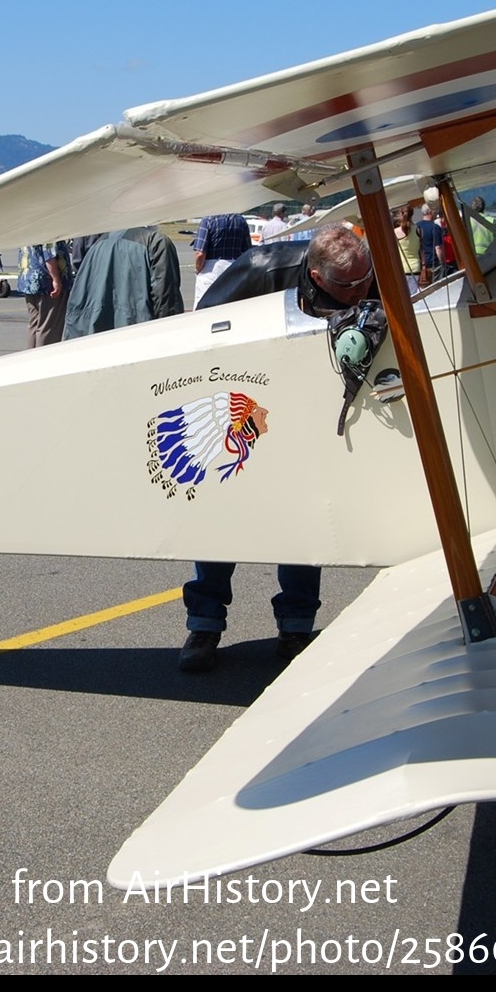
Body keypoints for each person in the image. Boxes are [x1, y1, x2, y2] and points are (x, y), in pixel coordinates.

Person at [178, 226, 375, 673]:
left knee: (303, 518)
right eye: (351, 285)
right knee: (220, 513)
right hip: (242, 407)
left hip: (309, 413)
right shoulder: (261, 269)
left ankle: (296, 629)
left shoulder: (365, 277)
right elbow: (200, 330)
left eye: (367, 279)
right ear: (318, 277)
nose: (364, 290)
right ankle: (204, 624)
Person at [63, 226, 184, 337]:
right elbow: (167, 303)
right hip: (140, 336)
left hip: (99, 336)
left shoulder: (99, 244)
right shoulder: (156, 242)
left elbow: (77, 306)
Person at [16, 240, 71, 347]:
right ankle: (44, 359)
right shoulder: (48, 226)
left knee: (35, 324)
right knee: (48, 327)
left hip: (29, 278)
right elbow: (49, 252)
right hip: (46, 281)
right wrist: (56, 279)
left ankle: (31, 359)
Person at [191, 212, 251, 305]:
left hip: (211, 270)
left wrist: (198, 269)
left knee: (204, 307)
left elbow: (200, 253)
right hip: (234, 268)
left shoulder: (208, 220)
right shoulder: (240, 220)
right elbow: (247, 250)